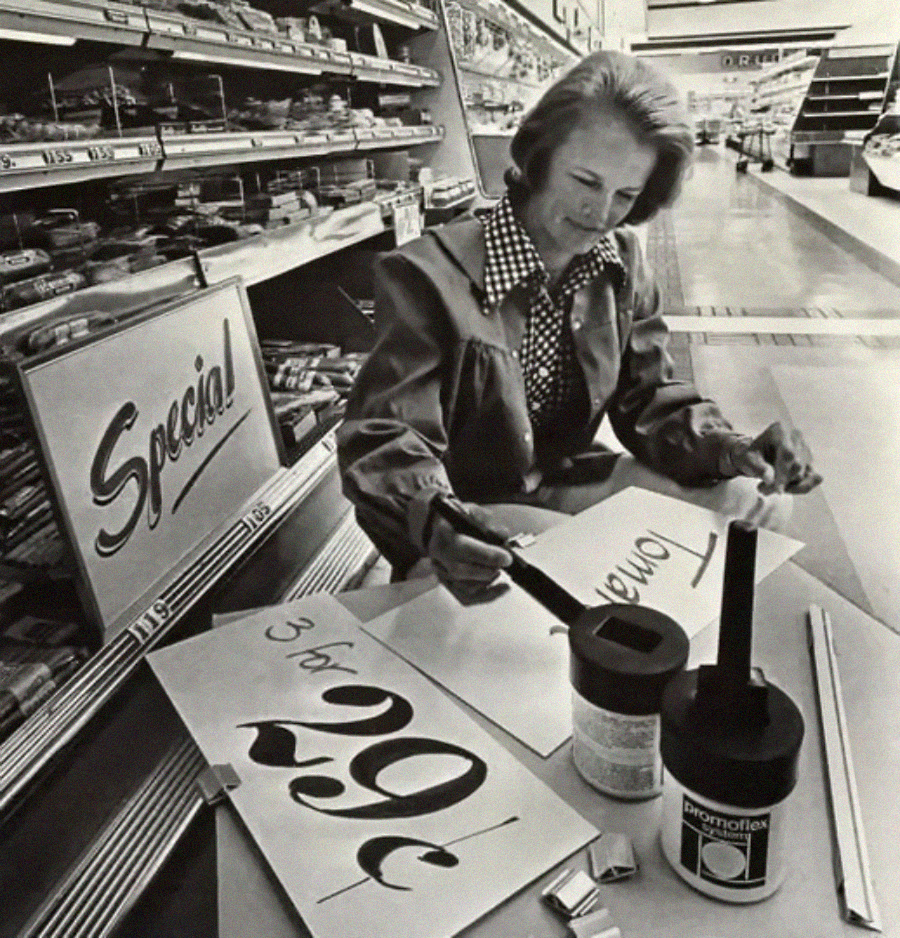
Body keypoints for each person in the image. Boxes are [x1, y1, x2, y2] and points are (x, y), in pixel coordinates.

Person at [337, 50, 821, 597]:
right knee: (570, 574)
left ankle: (700, 652)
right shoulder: (424, 275)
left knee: (755, 506)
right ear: (539, 158)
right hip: (470, 510)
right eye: (586, 181)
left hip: (568, 477)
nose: (601, 213)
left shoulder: (622, 264)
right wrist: (436, 519)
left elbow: (651, 400)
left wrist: (735, 448)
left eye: (627, 195)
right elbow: (385, 435)